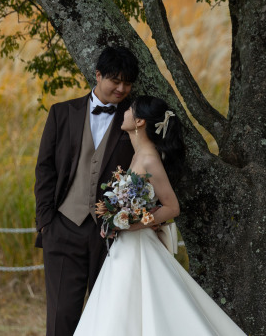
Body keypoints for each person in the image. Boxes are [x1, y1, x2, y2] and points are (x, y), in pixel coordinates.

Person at [72, 95, 246, 336]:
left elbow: (172, 207)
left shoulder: (150, 159)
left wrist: (132, 224)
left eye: (130, 109)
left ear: (140, 121)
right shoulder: (137, 156)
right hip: (125, 245)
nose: (124, 112)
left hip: (137, 243)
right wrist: (117, 220)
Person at [34, 45, 139, 336]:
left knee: (107, 322)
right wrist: (46, 222)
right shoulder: (61, 113)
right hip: (62, 228)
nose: (121, 88)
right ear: (97, 75)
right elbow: (45, 169)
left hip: (110, 236)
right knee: (60, 320)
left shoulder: (133, 123)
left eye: (127, 83)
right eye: (115, 80)